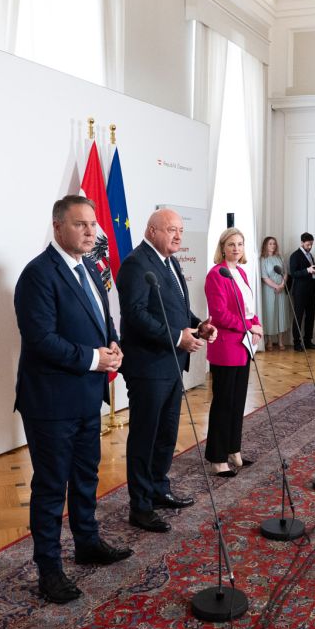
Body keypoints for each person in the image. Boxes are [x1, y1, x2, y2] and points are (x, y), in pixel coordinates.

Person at [13, 194, 133, 604]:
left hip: (86, 397)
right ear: (57, 226)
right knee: (50, 488)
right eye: (80, 224)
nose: (91, 232)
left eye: (93, 225)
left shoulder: (92, 270)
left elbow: (104, 320)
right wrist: (93, 358)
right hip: (50, 403)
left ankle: (87, 542)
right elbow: (41, 339)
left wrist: (112, 346)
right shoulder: (38, 275)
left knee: (86, 477)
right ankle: (49, 570)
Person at [117, 208, 214, 535]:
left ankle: (159, 487)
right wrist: (177, 337)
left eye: (181, 231)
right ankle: (140, 506)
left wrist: (198, 325)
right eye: (171, 229)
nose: (178, 236)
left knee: (166, 433)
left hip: (171, 364)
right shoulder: (136, 264)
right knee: (146, 435)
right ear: (152, 230)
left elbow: (176, 308)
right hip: (148, 366)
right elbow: (135, 314)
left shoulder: (169, 261)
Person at [204, 227, 262, 475]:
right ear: (222, 247)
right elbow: (220, 315)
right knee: (224, 403)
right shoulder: (216, 274)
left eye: (240, 244)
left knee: (238, 402)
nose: (236, 248)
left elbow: (248, 308)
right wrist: (249, 327)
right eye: (231, 244)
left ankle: (233, 449)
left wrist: (257, 324)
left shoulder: (242, 272)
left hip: (244, 346)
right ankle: (217, 457)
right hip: (226, 347)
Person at [286, 232, 315, 352]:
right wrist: (307, 270)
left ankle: (308, 341)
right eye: (308, 244)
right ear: (302, 242)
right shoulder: (295, 256)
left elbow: (311, 272)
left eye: (311, 244)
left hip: (311, 291)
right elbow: (294, 273)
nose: (310, 247)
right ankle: (296, 343)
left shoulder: (310, 255)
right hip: (300, 291)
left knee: (311, 317)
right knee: (298, 317)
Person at [257, 235, 288, 351]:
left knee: (281, 313)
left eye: (274, 243)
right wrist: (276, 286)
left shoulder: (280, 257)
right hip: (269, 290)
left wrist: (282, 285)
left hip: (281, 288)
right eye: (270, 243)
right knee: (270, 314)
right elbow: (264, 277)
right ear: (265, 245)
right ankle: (269, 341)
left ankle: (280, 341)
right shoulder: (263, 259)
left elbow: (285, 272)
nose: (273, 246)